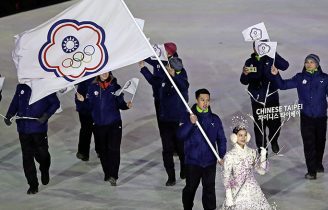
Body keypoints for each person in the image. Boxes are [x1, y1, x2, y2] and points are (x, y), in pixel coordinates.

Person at [271, 54, 328, 180]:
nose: (309, 64)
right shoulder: (300, 78)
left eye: (312, 62)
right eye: (306, 62)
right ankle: (311, 171)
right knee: (309, 144)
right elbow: (283, 85)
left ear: (317, 64)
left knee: (320, 143)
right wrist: (276, 74)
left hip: (321, 117)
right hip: (306, 117)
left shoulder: (324, 78)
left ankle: (318, 164)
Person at [76, 72, 132, 186]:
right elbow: (88, 107)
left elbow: (120, 104)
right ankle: (107, 173)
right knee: (103, 151)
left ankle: (113, 175)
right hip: (99, 125)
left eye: (107, 71)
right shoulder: (92, 87)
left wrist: (126, 106)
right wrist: (82, 102)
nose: (105, 73)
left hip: (114, 124)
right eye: (102, 72)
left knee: (114, 149)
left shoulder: (115, 87)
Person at [4, 83, 60, 194]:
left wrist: (45, 116)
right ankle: (33, 185)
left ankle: (44, 169)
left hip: (38, 129)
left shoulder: (45, 85)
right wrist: (9, 114)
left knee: (42, 154)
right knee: (27, 157)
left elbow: (55, 103)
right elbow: (15, 102)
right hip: (23, 129)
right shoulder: (21, 87)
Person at [141, 56, 189, 186]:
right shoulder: (163, 79)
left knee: (181, 148)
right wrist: (143, 68)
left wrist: (173, 77)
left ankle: (184, 170)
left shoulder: (182, 81)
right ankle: (171, 176)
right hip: (165, 120)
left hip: (178, 121)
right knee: (167, 149)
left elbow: (183, 87)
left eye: (169, 67)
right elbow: (153, 81)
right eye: (167, 67)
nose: (167, 69)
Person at [177, 88, 227, 210]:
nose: (205, 103)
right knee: (190, 188)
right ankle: (187, 206)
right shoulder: (187, 116)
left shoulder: (215, 119)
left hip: (210, 162)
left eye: (207, 100)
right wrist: (190, 123)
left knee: (209, 189)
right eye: (202, 99)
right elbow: (180, 136)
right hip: (193, 162)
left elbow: (221, 139)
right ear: (196, 100)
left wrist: (221, 155)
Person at [240, 41, 289, 154]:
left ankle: (274, 140)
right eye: (256, 47)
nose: (259, 49)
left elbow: (285, 66)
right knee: (259, 126)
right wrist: (245, 74)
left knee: (275, 124)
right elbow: (243, 81)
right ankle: (262, 149)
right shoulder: (250, 62)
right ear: (253, 49)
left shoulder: (271, 59)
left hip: (271, 98)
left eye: (262, 46)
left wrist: (273, 52)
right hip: (257, 100)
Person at [221, 126, 271, 210]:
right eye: (240, 135)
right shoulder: (230, 156)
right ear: (234, 137)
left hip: (253, 190)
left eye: (245, 135)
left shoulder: (252, 152)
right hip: (237, 189)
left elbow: (261, 172)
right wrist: (229, 197)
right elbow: (227, 178)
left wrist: (263, 156)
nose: (243, 138)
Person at [74, 78, 97, 161]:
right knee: (86, 129)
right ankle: (83, 152)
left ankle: (100, 150)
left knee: (98, 129)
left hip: (99, 109)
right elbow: (78, 97)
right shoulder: (83, 78)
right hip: (85, 109)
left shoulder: (104, 73)